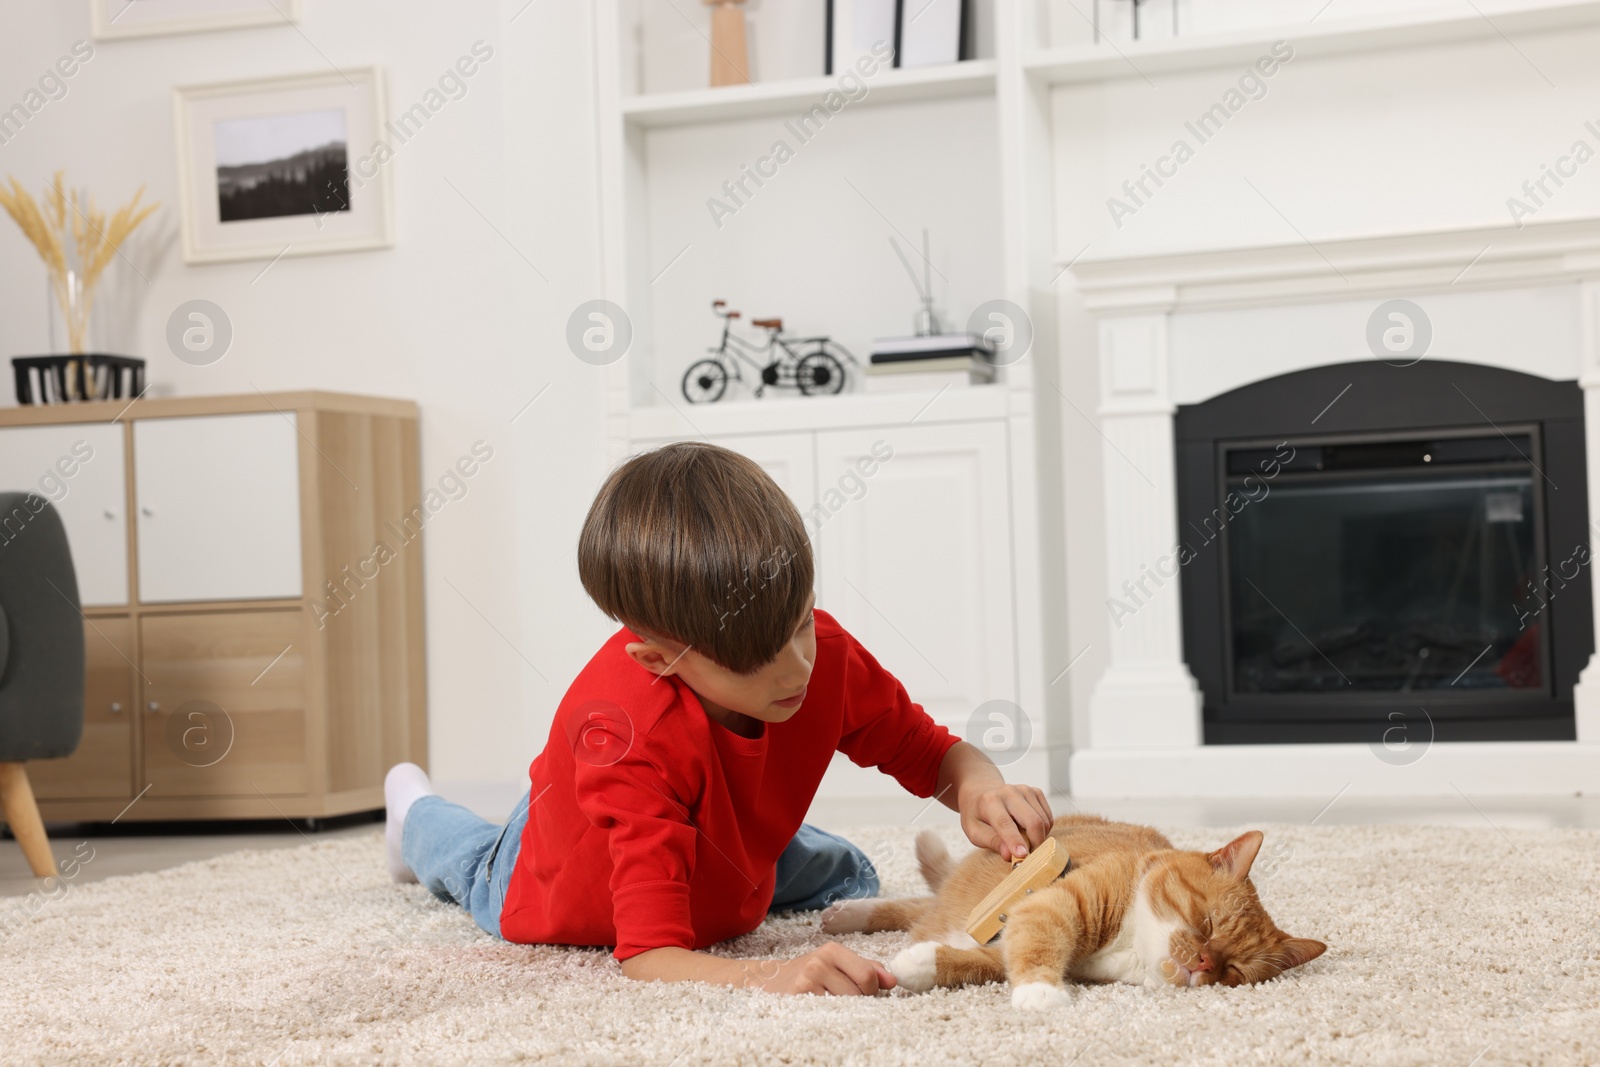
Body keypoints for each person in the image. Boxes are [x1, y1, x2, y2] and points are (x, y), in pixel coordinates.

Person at [384, 441, 1052, 995]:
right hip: (567, 881)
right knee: (473, 862)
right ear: (656, 658)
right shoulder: (623, 735)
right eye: (754, 661)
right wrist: (774, 974)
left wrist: (979, 785)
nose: (794, 669)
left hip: (722, 861)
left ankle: (734, 837)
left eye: (800, 627)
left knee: (851, 874)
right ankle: (410, 806)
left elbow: (929, 752)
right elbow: (649, 954)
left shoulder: (827, 653)